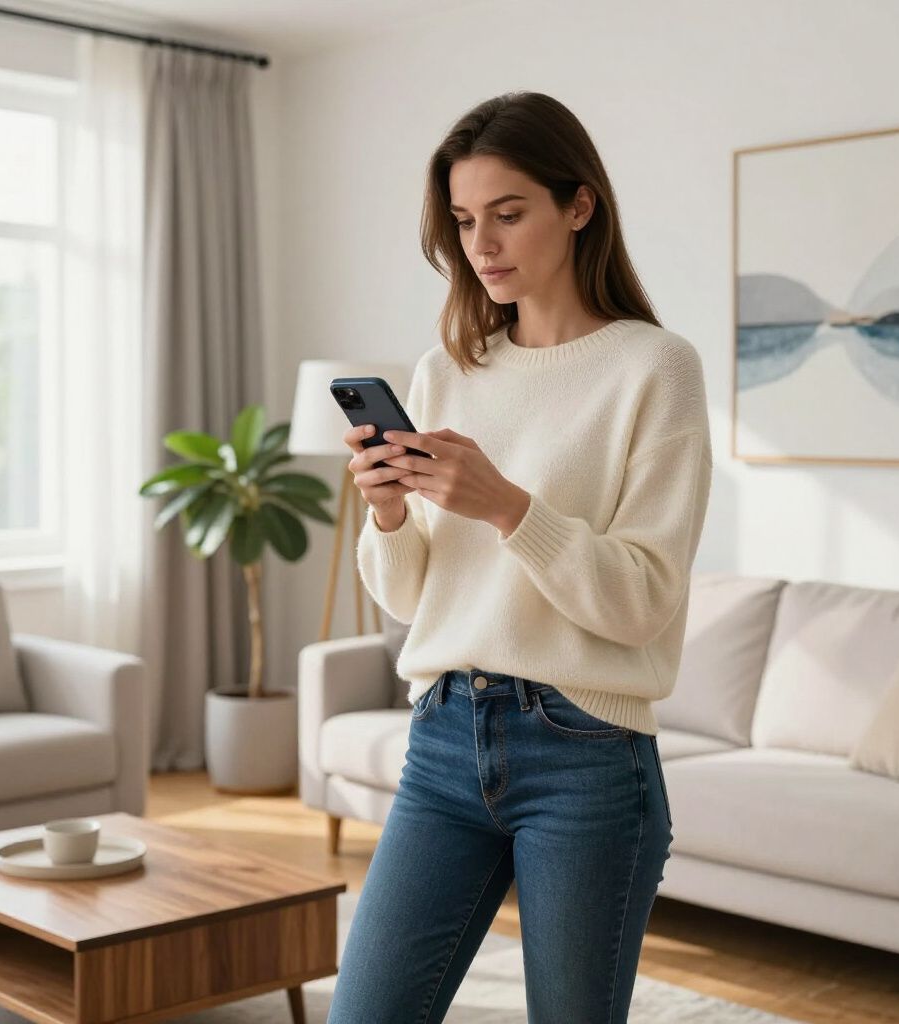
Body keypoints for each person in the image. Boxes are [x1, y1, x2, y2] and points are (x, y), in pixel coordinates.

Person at [328, 90, 713, 1023]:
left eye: (509, 213)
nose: (483, 245)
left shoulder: (653, 369)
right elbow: (413, 599)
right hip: (445, 737)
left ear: (578, 206)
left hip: (586, 754)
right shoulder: (447, 369)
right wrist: (386, 516)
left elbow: (642, 604)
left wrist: (507, 507)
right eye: (464, 222)